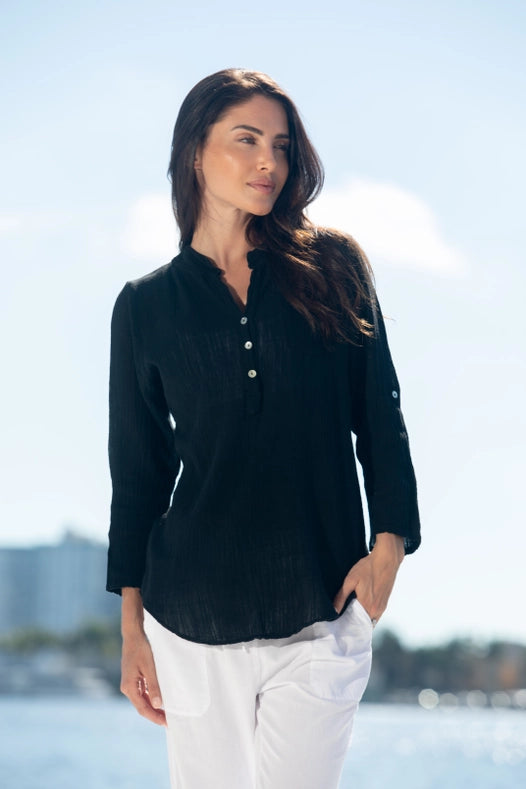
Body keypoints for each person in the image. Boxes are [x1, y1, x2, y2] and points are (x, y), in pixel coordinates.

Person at [106, 68, 421, 789]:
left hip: (319, 608)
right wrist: (132, 630)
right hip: (188, 619)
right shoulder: (145, 307)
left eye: (280, 145)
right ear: (195, 151)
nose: (267, 163)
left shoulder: (331, 267)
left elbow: (381, 415)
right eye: (245, 140)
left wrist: (389, 549)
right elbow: (139, 476)